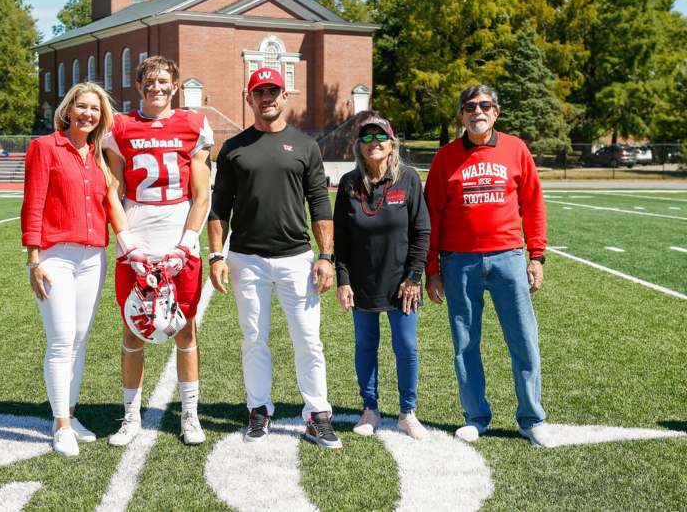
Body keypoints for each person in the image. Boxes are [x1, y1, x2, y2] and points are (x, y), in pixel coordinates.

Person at [208, 68, 342, 450]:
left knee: (309, 340)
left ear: (285, 96)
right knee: (254, 339)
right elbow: (220, 208)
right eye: (259, 92)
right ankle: (259, 410)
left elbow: (319, 203)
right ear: (249, 98)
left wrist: (326, 256)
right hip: (245, 260)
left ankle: (317, 416)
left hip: (296, 258)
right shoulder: (233, 147)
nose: (267, 97)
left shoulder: (305, 145)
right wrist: (216, 254)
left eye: (273, 91)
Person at [424, 84, 551, 447]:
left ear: (495, 112)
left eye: (484, 105)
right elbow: (431, 214)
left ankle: (531, 417)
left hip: (508, 257)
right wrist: (431, 268)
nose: (477, 111)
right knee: (465, 342)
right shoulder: (446, 157)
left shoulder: (516, 149)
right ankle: (475, 416)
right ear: (461, 115)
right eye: (469, 106)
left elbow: (534, 204)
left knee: (524, 339)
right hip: (458, 261)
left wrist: (537, 256)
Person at [103, 56, 213, 447]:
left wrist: (186, 243)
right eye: (150, 81)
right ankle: (131, 416)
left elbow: (202, 194)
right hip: (138, 235)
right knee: (133, 327)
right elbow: (112, 190)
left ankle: (190, 415)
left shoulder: (193, 124)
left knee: (185, 328)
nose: (157, 87)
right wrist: (127, 243)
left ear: (175, 84)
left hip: (178, 235)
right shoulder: (120, 126)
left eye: (164, 80)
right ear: (139, 85)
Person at [20, 81, 114, 457]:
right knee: (60, 340)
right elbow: (34, 203)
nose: (88, 113)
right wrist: (34, 259)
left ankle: (70, 415)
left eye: (94, 108)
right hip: (56, 256)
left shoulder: (98, 156)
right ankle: (60, 425)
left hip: (93, 258)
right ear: (68, 110)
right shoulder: (45, 147)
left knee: (79, 339)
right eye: (82, 107)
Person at [333, 113, 431, 440]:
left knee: (406, 346)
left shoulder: (408, 179)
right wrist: (343, 280)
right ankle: (370, 408)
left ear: (391, 145)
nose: (373, 143)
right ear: (358, 147)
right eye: (366, 139)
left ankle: (407, 412)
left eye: (380, 138)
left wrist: (414, 277)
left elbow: (422, 231)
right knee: (365, 346)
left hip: (402, 284)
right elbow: (342, 239)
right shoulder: (348, 183)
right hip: (362, 283)